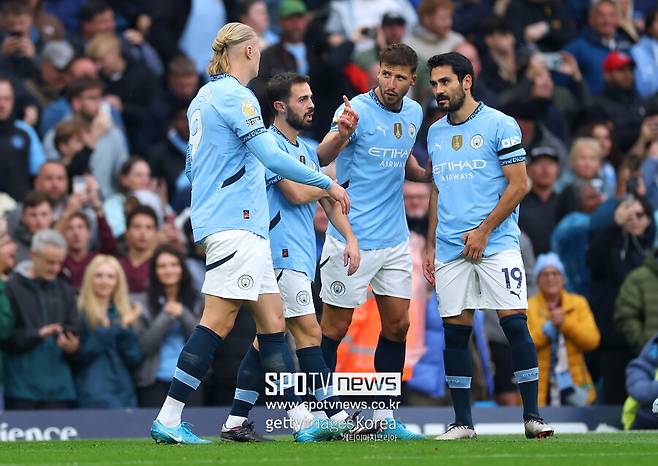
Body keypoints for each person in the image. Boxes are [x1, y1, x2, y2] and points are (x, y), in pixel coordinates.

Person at [150, 22, 350, 445]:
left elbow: (191, 166)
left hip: (238, 224)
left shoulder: (202, 99)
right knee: (218, 323)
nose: (260, 55)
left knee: (274, 324)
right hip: (235, 224)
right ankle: (168, 418)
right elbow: (270, 155)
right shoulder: (235, 96)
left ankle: (301, 420)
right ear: (244, 51)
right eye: (256, 48)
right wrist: (327, 182)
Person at [222, 72, 361, 441]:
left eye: (312, 97)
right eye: (303, 99)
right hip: (277, 252)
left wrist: (349, 238)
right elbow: (299, 194)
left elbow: (325, 198)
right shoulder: (266, 145)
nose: (312, 104)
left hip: (299, 255)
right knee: (308, 331)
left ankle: (235, 420)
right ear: (280, 107)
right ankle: (329, 414)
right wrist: (325, 185)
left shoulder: (302, 149)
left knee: (265, 340)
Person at [423, 52, 553, 440]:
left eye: (445, 82)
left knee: (514, 324)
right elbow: (437, 190)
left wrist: (483, 231)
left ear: (467, 81)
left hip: (496, 244)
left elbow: (519, 185)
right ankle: (463, 423)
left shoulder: (500, 124)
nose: (438, 91)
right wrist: (430, 244)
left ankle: (532, 416)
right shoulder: (434, 132)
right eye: (433, 84)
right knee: (455, 333)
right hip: (449, 248)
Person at [316, 43, 426, 440]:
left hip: (395, 240)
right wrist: (342, 134)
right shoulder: (354, 110)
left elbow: (405, 161)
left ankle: (383, 416)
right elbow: (321, 153)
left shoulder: (414, 113)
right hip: (351, 238)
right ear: (376, 72)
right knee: (334, 327)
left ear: (413, 80)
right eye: (385, 74)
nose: (391, 83)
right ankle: (322, 415)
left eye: (399, 77)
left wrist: (431, 174)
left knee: (398, 326)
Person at [0, 229, 80, 410]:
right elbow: (5, 337)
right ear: (34, 255)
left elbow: (75, 331)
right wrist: (37, 334)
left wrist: (72, 346)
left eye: (59, 262)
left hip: (60, 390)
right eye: (50, 262)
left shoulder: (66, 291)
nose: (55, 268)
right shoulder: (10, 288)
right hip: (21, 390)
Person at [527, 253, 600, 407]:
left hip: (575, 385)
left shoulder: (578, 303)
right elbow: (524, 345)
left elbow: (592, 340)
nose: (550, 278)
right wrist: (546, 332)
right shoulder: (529, 306)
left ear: (563, 278)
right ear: (538, 280)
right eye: (545, 274)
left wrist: (565, 324)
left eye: (555, 273)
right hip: (541, 389)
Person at [134, 245, 202, 408]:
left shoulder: (198, 300)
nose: (169, 270)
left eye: (173, 265)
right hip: (153, 380)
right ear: (154, 272)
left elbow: (201, 342)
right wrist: (166, 317)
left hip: (190, 379)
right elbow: (144, 346)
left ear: (182, 268)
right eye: (162, 266)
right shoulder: (142, 303)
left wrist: (183, 314)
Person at [73, 255, 142, 408]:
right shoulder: (79, 310)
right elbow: (83, 354)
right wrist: (119, 325)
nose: (105, 281)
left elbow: (133, 357)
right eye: (99, 276)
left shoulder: (123, 311)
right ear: (90, 278)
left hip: (124, 392)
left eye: (110, 276)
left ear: (118, 281)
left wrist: (124, 329)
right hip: (90, 392)